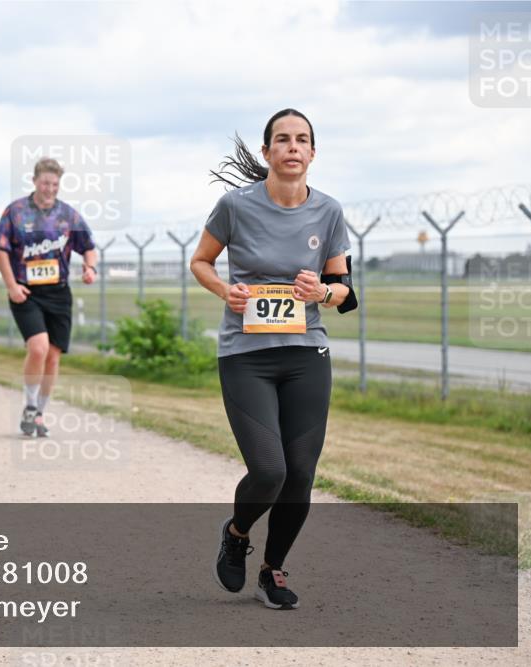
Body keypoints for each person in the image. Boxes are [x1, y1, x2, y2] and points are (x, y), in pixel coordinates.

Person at [189, 109, 356, 611]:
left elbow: (347, 295)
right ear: (266, 153)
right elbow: (200, 261)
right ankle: (237, 533)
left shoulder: (328, 212)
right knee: (269, 470)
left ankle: (272, 570)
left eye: (302, 140)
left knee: (300, 473)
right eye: (282, 139)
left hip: (307, 354)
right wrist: (224, 291)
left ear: (312, 153)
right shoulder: (234, 207)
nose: (292, 147)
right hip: (246, 356)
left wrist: (323, 290)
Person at [0, 157, 97, 437]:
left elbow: (88, 246)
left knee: (52, 357)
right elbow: (0, 248)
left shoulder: (68, 215)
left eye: (55, 184)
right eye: (45, 182)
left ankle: (39, 412)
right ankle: (28, 405)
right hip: (26, 291)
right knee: (38, 348)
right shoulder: (15, 212)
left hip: (58, 292)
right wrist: (12, 285)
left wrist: (90, 267)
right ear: (35, 181)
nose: (50, 188)